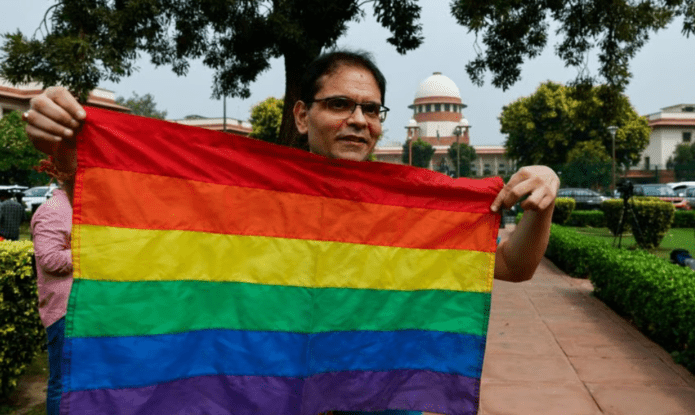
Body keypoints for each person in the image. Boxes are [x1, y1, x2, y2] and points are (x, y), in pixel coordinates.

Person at [23, 50, 559, 413]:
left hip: (369, 393)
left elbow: (513, 266)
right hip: (257, 390)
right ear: (302, 116)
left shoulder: (413, 211)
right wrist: (65, 146)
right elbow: (134, 210)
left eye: (371, 109)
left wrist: (543, 200)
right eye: (339, 104)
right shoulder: (245, 194)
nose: (358, 119)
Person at [29, 163, 74, 415]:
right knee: (63, 382)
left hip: (82, 309)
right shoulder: (54, 210)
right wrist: (92, 249)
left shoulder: (75, 208)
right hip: (64, 313)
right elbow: (50, 260)